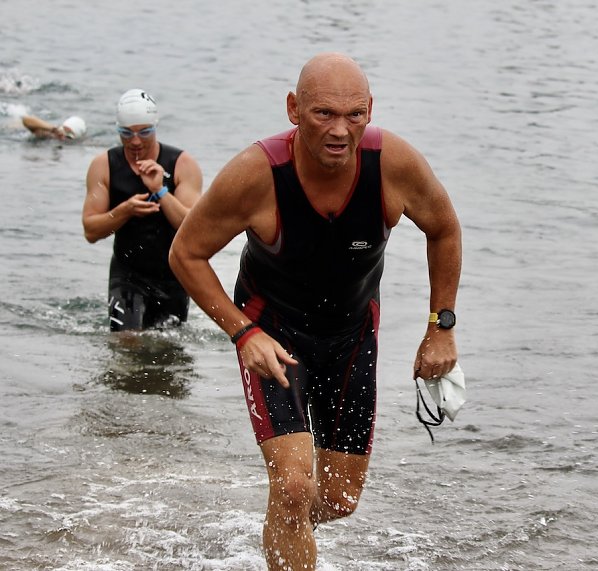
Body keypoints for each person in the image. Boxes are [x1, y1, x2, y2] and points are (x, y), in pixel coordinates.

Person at [169, 52, 462, 570]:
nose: (340, 131)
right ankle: (286, 519)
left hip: (351, 336)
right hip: (273, 337)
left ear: (370, 110)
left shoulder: (392, 165)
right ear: (293, 110)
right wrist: (243, 335)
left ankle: (282, 528)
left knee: (338, 501)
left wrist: (440, 327)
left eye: (354, 115)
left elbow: (443, 228)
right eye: (324, 113)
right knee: (292, 486)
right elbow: (185, 253)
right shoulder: (257, 174)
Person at [82, 89, 203, 331]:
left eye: (144, 132)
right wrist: (125, 210)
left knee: (169, 352)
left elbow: (193, 229)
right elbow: (91, 231)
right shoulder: (103, 165)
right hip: (127, 272)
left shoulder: (182, 164)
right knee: (125, 343)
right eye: (126, 133)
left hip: (174, 274)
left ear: (155, 127)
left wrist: (160, 191)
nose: (135, 141)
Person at [22, 113, 86, 140]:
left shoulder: (75, 145)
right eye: (63, 130)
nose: (63, 135)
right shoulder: (50, 135)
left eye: (68, 135)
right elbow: (26, 120)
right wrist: (53, 129)